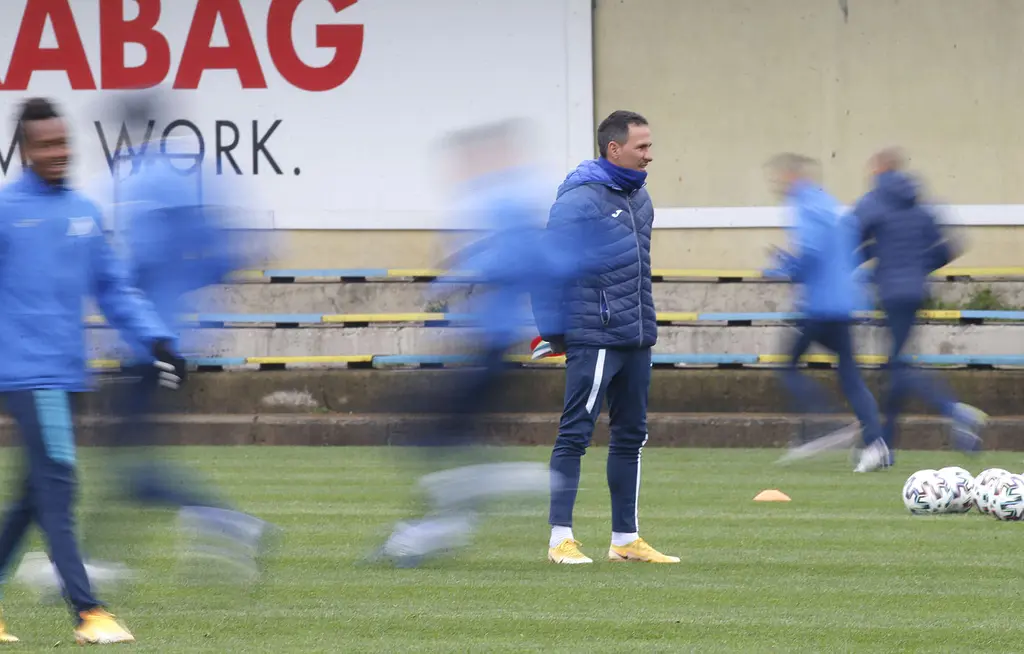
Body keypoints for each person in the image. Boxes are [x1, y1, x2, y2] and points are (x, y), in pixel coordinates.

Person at [0, 97, 186, 645]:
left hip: (67, 375)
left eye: (63, 142)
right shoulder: (6, 212)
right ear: (25, 151)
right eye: (46, 145)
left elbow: (115, 289)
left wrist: (159, 340)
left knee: (34, 496)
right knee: (59, 485)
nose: (58, 152)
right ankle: (88, 611)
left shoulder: (84, 212)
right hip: (28, 376)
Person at [374, 119, 586, 566]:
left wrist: (457, 278)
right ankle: (426, 534)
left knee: (428, 439)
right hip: (486, 346)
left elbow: (523, 257)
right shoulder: (503, 199)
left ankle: (521, 482)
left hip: (493, 346)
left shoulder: (507, 200)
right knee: (437, 441)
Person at [536, 110, 678, 565]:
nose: (649, 155)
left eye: (650, 145)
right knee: (575, 433)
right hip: (594, 334)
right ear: (614, 149)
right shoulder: (579, 201)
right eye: (642, 146)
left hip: (636, 335)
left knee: (631, 435)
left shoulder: (641, 198)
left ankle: (625, 539)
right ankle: (560, 539)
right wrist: (554, 332)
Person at [852, 147, 986, 464]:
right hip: (914, 292)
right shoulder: (920, 204)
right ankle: (885, 446)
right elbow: (951, 245)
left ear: (879, 170)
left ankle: (954, 411)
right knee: (895, 367)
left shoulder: (874, 200)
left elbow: (852, 239)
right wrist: (918, 268)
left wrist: (869, 266)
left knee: (898, 367)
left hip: (891, 292)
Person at [762, 153, 887, 473]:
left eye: (778, 177)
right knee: (850, 375)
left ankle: (823, 424)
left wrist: (786, 268)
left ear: (792, 176)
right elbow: (844, 248)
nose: (776, 183)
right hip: (844, 302)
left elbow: (812, 251)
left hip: (820, 305)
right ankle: (876, 444)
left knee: (788, 366)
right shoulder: (829, 204)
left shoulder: (804, 205)